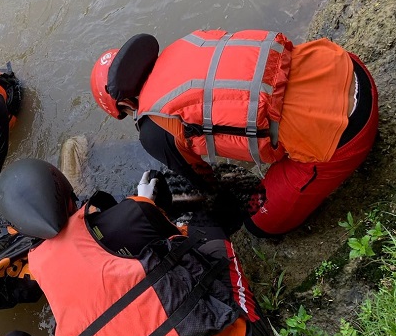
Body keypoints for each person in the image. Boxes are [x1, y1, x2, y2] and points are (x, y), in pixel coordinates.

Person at [0, 158, 272, 336]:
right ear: (65, 190)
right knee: (206, 234)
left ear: (18, 229)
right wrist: (144, 203)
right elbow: (175, 239)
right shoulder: (126, 215)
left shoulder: (43, 273)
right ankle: (261, 327)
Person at [90, 30, 379, 238]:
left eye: (126, 114)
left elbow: (203, 182)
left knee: (258, 224)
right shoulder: (186, 43)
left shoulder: (154, 128)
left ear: (126, 104)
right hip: (347, 66)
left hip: (346, 131)